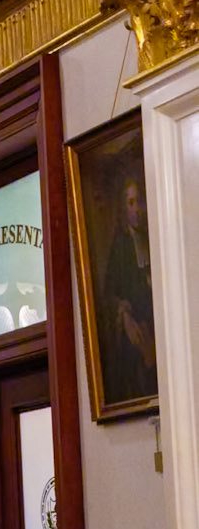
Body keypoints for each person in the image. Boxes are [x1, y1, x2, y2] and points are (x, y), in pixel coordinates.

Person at [101, 172, 155, 404]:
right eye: (131, 203)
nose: (137, 209)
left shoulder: (155, 238)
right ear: (124, 207)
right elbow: (109, 293)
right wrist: (123, 313)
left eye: (139, 201)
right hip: (135, 331)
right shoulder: (121, 245)